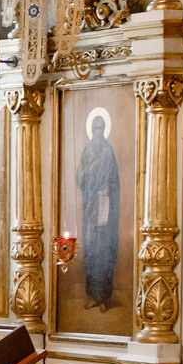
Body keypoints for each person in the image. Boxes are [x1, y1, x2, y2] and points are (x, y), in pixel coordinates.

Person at [75, 113, 121, 311]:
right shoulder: (87, 152)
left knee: (105, 252)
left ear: (105, 130)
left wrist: (109, 190)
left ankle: (104, 298)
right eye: (95, 128)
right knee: (92, 252)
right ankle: (92, 296)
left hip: (105, 209)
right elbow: (80, 178)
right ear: (91, 130)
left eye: (101, 128)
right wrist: (91, 169)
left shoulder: (109, 153)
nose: (98, 132)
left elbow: (115, 182)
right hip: (91, 210)